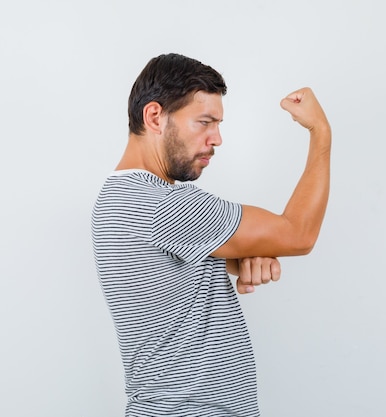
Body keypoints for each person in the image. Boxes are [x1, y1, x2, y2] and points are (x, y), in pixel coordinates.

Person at [91, 53, 331, 417]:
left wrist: (243, 256)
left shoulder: (118, 197)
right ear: (154, 116)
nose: (216, 138)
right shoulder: (166, 204)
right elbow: (298, 233)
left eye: (218, 123)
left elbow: (172, 272)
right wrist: (321, 132)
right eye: (204, 122)